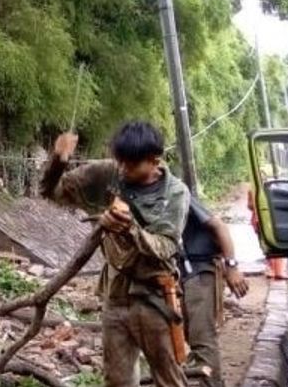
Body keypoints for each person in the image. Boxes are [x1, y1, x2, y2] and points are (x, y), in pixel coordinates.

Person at [40, 121, 190, 387]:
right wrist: (59, 161)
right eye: (119, 161)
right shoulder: (106, 173)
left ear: (154, 161)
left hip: (154, 297)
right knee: (117, 380)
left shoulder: (175, 192)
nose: (122, 169)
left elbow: (166, 247)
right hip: (115, 296)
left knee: (169, 377)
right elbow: (52, 192)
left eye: (131, 165)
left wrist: (130, 228)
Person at [181, 198, 249, 387]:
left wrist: (232, 267)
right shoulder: (137, 194)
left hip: (199, 268)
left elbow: (219, 226)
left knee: (201, 336)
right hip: (180, 270)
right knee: (189, 334)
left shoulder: (177, 192)